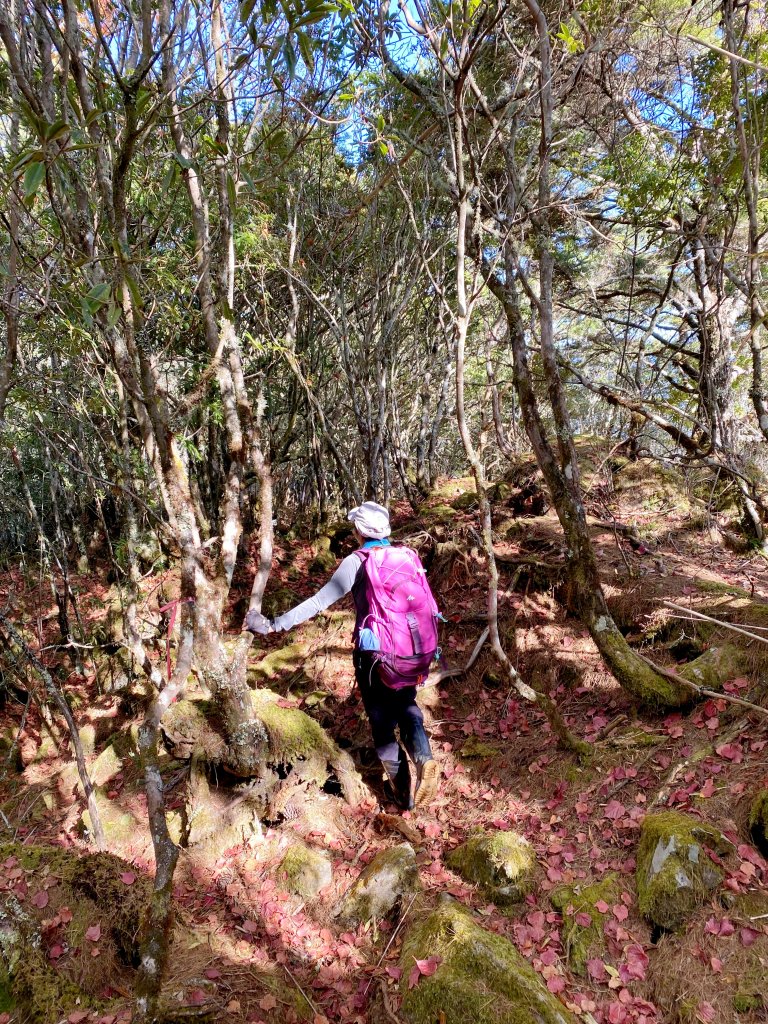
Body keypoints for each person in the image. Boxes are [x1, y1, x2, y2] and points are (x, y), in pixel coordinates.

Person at [246, 501, 440, 810]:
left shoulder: (357, 561)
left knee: (381, 722)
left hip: (374, 656)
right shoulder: (407, 556)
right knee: (406, 704)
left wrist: (272, 625)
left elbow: (318, 601)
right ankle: (424, 758)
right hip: (412, 651)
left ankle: (403, 795)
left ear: (361, 531)